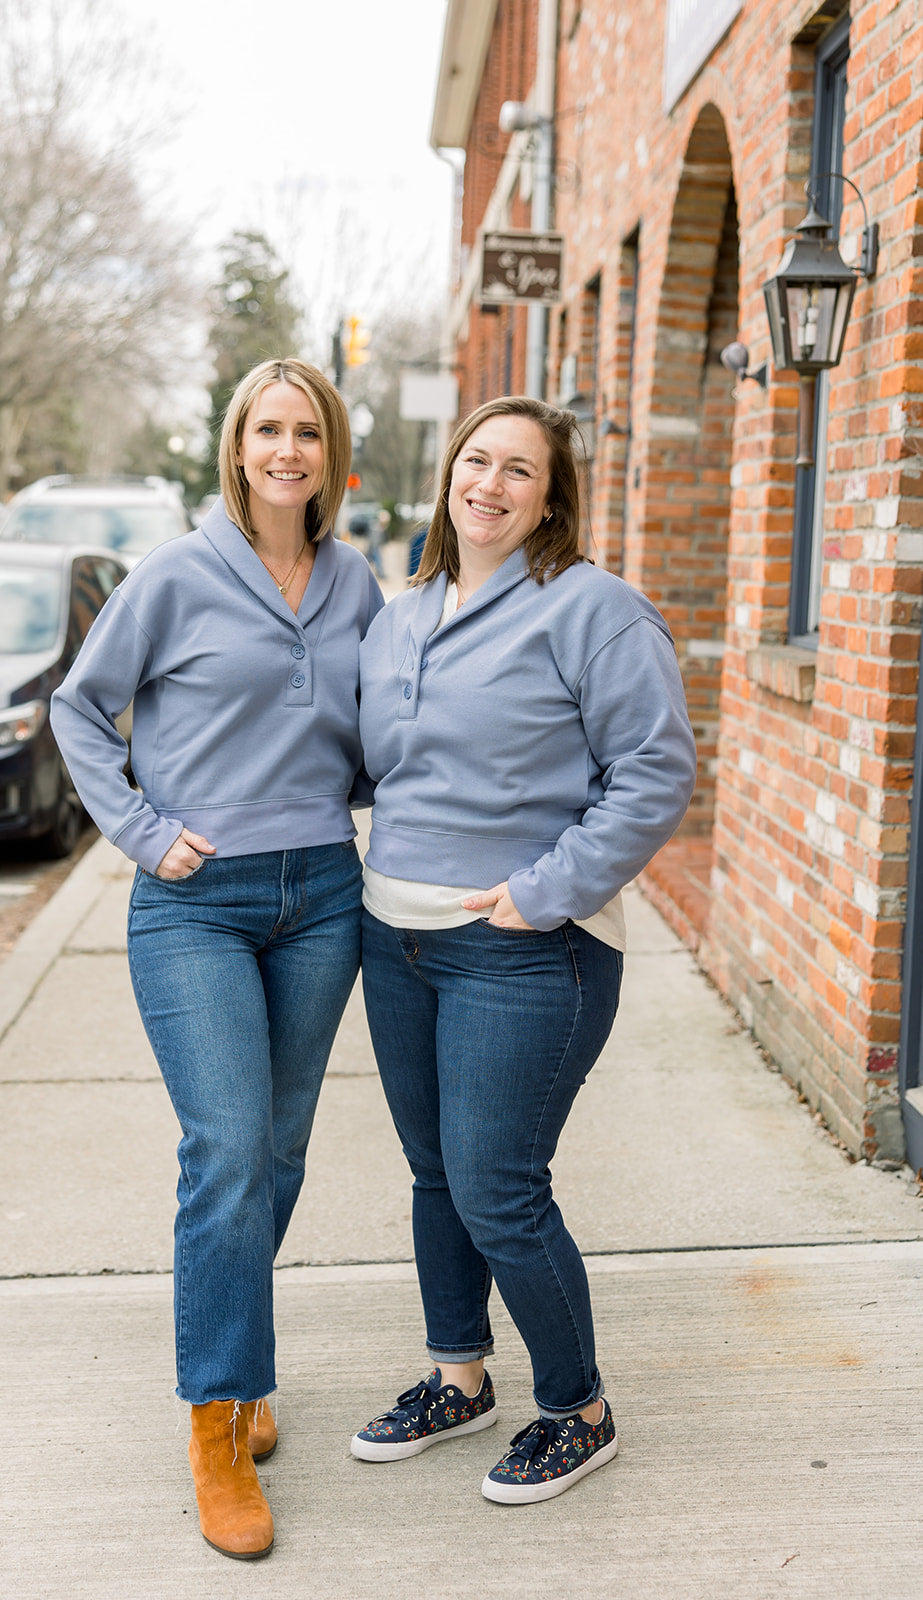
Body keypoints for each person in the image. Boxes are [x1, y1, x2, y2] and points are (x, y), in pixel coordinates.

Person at [50, 358, 383, 1560]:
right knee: (227, 1146)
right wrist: (142, 829)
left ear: (329, 452)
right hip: (194, 902)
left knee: (278, 1151)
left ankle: (238, 1365)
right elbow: (81, 710)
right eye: (265, 430)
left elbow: (384, 720)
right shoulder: (176, 574)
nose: (285, 450)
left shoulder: (354, 583)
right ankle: (215, 1422)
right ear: (236, 446)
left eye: (305, 431)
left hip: (322, 896)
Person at [349, 395, 696, 1505]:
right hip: (392, 937)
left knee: (498, 1183)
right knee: (435, 1174)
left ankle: (576, 1409)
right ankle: (459, 1377)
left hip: (522, 948)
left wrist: (541, 894)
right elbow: (380, 768)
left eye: (517, 470)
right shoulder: (399, 615)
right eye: (474, 460)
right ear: (449, 472)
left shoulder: (594, 611)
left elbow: (652, 772)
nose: (488, 484)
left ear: (550, 497)